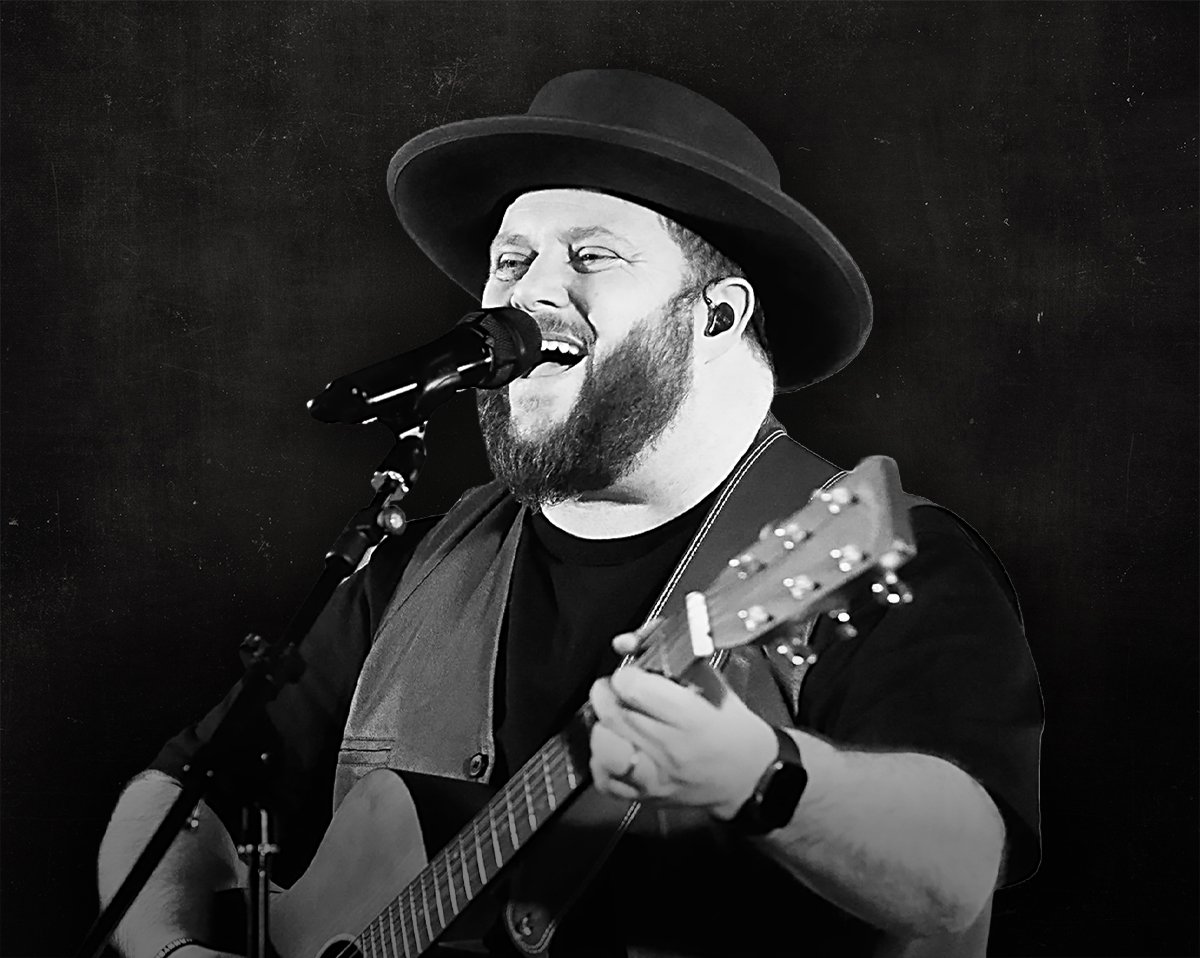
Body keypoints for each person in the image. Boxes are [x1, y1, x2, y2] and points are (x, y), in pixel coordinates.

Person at [98, 70, 1042, 958]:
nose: (530, 294)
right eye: (513, 259)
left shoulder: (879, 549)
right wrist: (171, 948)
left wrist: (763, 777)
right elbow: (187, 792)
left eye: (591, 256)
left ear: (714, 317)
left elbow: (957, 875)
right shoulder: (414, 568)